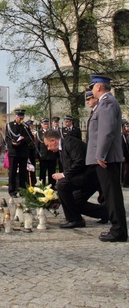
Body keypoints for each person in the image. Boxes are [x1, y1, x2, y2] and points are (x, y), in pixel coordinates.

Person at [86, 74, 128, 242]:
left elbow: (107, 131)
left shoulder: (107, 102)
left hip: (106, 158)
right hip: (106, 157)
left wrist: (100, 154)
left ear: (98, 87)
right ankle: (117, 228)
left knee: (112, 195)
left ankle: (118, 230)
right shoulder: (104, 103)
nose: (91, 91)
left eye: (92, 87)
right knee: (110, 194)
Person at [43, 128, 108, 228]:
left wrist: (63, 175)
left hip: (90, 177)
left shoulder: (70, 142)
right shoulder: (62, 150)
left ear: (53, 140)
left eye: (47, 145)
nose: (48, 148)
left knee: (61, 184)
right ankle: (107, 213)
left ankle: (75, 220)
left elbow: (79, 161)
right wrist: (60, 200)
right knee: (75, 203)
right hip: (82, 178)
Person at [5, 109, 31, 196]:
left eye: (22, 117)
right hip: (13, 152)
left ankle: (22, 190)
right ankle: (12, 190)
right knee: (12, 171)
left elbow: (30, 138)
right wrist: (12, 143)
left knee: (23, 172)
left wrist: (23, 140)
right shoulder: (9, 125)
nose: (20, 119)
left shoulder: (26, 127)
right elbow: (7, 138)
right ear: (16, 117)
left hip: (23, 152)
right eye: (19, 117)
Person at [35, 118, 58, 187]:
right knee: (42, 172)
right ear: (42, 125)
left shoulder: (53, 132)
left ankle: (52, 185)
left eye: (47, 124)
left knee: (52, 171)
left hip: (52, 155)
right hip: (43, 155)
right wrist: (36, 156)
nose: (46, 125)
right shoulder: (39, 133)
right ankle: (42, 186)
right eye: (44, 124)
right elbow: (37, 145)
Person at [121, 121, 129, 188]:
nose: (128, 128)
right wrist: (123, 155)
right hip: (124, 155)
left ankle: (126, 181)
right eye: (127, 126)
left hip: (127, 155)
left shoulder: (126, 136)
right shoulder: (122, 136)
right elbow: (122, 146)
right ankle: (124, 182)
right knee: (126, 169)